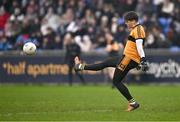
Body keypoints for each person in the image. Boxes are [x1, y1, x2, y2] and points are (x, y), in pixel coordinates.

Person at [74, 11, 148, 111]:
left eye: (127, 21)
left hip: (128, 59)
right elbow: (137, 47)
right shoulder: (136, 29)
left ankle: (133, 103)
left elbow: (139, 47)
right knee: (105, 63)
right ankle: (80, 67)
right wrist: (140, 61)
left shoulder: (138, 29)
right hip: (127, 58)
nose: (126, 23)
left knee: (116, 81)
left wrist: (142, 60)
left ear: (133, 21)